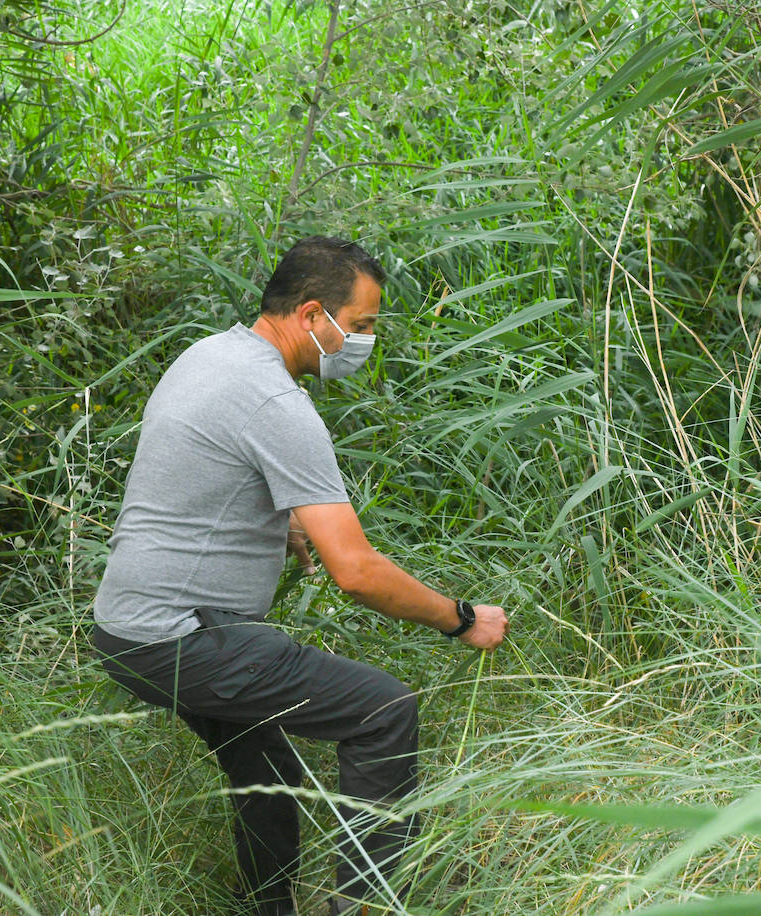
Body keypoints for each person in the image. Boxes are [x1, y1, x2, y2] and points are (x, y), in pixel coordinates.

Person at [91, 236, 509, 916]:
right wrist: (459, 617)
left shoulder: (212, 355)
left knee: (269, 773)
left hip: (126, 628)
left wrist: (274, 524)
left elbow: (193, 472)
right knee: (383, 712)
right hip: (181, 636)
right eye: (363, 326)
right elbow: (357, 572)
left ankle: (268, 907)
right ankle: (367, 908)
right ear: (314, 315)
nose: (365, 342)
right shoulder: (276, 404)